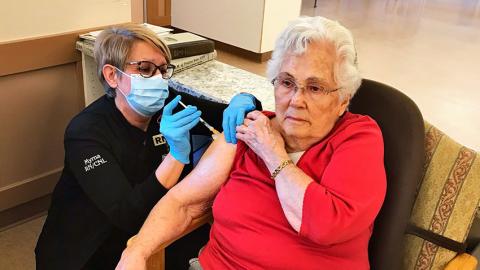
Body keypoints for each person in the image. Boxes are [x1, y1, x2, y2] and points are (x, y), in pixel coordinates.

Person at [117, 16, 387, 270]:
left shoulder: (357, 137)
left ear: (343, 100)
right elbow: (184, 203)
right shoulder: (248, 130)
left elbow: (325, 226)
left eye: (314, 88)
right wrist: (137, 251)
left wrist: (273, 153)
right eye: (287, 82)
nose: (296, 100)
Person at [34, 24, 261, 270]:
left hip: (154, 219)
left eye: (163, 70)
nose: (158, 80)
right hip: (90, 242)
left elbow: (227, 115)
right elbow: (127, 215)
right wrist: (175, 157)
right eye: (144, 69)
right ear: (112, 75)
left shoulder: (168, 102)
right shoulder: (85, 132)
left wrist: (245, 100)